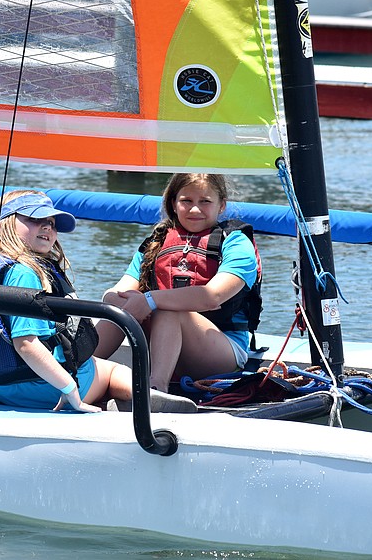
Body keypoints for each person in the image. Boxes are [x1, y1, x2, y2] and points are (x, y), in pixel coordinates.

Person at [0, 190, 132, 413]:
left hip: (4, 389)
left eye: (52, 223)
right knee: (110, 371)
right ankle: (146, 398)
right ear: (7, 223)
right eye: (35, 219)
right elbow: (26, 344)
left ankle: (107, 399)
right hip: (50, 389)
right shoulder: (24, 274)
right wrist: (70, 390)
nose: (47, 227)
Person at [95, 173, 260, 411]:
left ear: (221, 205)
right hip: (163, 343)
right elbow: (115, 293)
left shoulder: (236, 243)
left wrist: (150, 299)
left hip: (222, 352)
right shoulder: (157, 242)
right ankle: (75, 371)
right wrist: (123, 301)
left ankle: (156, 390)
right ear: (173, 204)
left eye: (205, 201)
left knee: (166, 309)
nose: (195, 209)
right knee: (119, 311)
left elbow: (212, 297)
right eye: (186, 201)